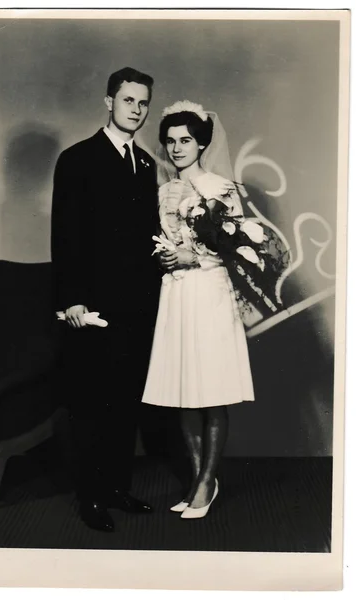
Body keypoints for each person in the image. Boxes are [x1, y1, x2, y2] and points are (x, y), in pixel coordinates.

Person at [50, 67, 161, 532]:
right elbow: (66, 234)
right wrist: (72, 301)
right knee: (92, 402)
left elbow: (147, 235)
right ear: (108, 102)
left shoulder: (148, 163)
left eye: (143, 103)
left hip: (139, 305)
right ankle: (91, 497)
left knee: (125, 401)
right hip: (93, 307)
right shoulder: (78, 158)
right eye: (128, 100)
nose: (136, 109)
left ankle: (116, 487)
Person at [142, 100, 255, 519]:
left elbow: (239, 250)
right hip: (176, 292)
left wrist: (197, 258)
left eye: (185, 140)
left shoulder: (221, 187)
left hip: (209, 290)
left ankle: (208, 481)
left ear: (202, 143)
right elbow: (159, 242)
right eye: (170, 141)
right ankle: (196, 479)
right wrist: (165, 257)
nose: (176, 148)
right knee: (184, 391)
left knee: (210, 389)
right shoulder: (162, 191)